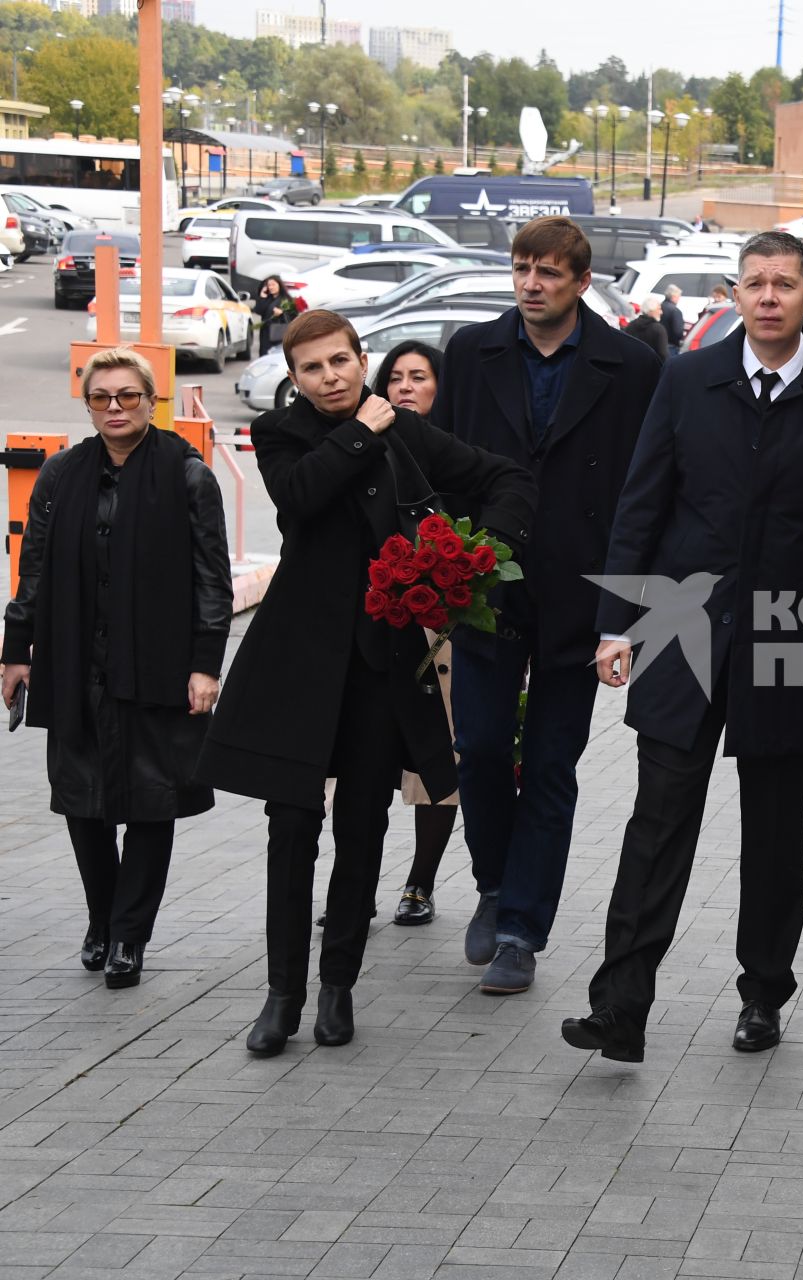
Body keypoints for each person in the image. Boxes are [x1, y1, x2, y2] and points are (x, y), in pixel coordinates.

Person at [561, 230, 803, 1065]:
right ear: (734, 297)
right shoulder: (686, 382)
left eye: (785, 283)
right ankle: (620, 1005)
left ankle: (763, 994)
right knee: (658, 819)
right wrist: (612, 625)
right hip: (679, 630)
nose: (770, 296)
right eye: (755, 283)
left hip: (791, 635)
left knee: (774, 828)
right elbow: (640, 506)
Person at [196, 309, 536, 1057]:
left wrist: (484, 551)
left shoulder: (405, 430)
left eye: (341, 362)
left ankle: (338, 988)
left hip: (381, 665)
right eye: (313, 369)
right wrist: (367, 429)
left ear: (360, 359)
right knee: (291, 829)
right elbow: (303, 496)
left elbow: (502, 476)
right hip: (297, 663)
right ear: (296, 379)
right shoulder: (286, 433)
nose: (330, 378)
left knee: (362, 829)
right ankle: (281, 995)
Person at [433, 216, 663, 996]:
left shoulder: (630, 365)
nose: (531, 283)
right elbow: (439, 463)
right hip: (485, 590)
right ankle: (495, 883)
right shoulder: (470, 352)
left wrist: (628, 612)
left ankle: (521, 932)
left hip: (582, 595)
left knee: (553, 765)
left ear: (581, 282)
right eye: (522, 268)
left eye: (549, 273)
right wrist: (440, 562)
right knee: (485, 747)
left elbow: (646, 489)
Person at [2, 348, 231, 990]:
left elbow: (211, 577)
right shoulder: (60, 476)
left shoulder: (187, 474)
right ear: (87, 404)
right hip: (77, 665)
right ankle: (101, 920)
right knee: (85, 803)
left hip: (158, 667)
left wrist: (205, 664)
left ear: (149, 399)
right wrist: (15, 651)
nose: (113, 408)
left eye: (127, 396)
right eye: (100, 397)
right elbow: (35, 569)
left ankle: (130, 936)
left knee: (152, 802)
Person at [370, 339, 457, 928]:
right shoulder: (364, 450)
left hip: (442, 627)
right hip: (375, 624)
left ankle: (420, 883)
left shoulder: (457, 455)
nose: (404, 387)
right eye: (395, 377)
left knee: (439, 761)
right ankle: (356, 883)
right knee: (364, 760)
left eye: (419, 377)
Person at [254, 275, 295, 357]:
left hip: (279, 333)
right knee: (265, 356)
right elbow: (258, 310)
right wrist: (262, 296)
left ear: (279, 285)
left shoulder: (286, 299)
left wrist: (282, 313)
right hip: (266, 333)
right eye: (269, 285)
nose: (271, 287)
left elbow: (293, 315)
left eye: (273, 284)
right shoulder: (267, 298)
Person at [630, 293, 672, 362]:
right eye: (659, 309)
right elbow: (663, 355)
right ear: (651, 310)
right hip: (652, 369)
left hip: (632, 366)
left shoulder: (631, 325)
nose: (661, 312)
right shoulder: (658, 329)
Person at [660, 283, 687, 353]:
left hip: (658, 344)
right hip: (671, 346)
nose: (679, 299)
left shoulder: (658, 307)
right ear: (673, 296)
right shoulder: (675, 311)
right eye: (678, 296)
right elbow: (677, 332)